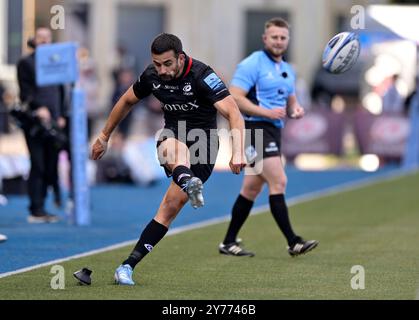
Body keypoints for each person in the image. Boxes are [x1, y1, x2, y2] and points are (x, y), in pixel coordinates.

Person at [91, 33, 246, 285]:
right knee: (171, 145)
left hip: (205, 144)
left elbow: (233, 112)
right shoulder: (152, 75)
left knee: (169, 209)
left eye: (167, 64)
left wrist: (238, 151)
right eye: (157, 63)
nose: (161, 70)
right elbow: (127, 100)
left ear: (180, 58)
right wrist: (104, 135)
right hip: (173, 136)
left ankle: (128, 262)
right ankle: (126, 269)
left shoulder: (202, 75)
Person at [219, 18, 318, 257]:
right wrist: (266, 111)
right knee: (279, 181)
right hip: (254, 129)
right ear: (265, 38)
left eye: (283, 37)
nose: (278, 41)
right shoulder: (252, 64)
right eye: (274, 37)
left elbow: (290, 99)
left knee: (251, 189)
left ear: (287, 40)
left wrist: (296, 109)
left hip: (273, 130)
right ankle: (293, 241)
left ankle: (228, 242)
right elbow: (234, 98)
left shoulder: (287, 69)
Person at [16, 27, 68, 223]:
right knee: (37, 164)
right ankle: (35, 209)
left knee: (50, 165)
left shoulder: (56, 62)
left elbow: (62, 90)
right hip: (35, 124)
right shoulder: (25, 63)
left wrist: (61, 114)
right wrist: (39, 109)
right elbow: (25, 93)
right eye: (41, 38)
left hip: (55, 122)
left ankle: (45, 205)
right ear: (34, 40)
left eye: (48, 38)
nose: (45, 41)